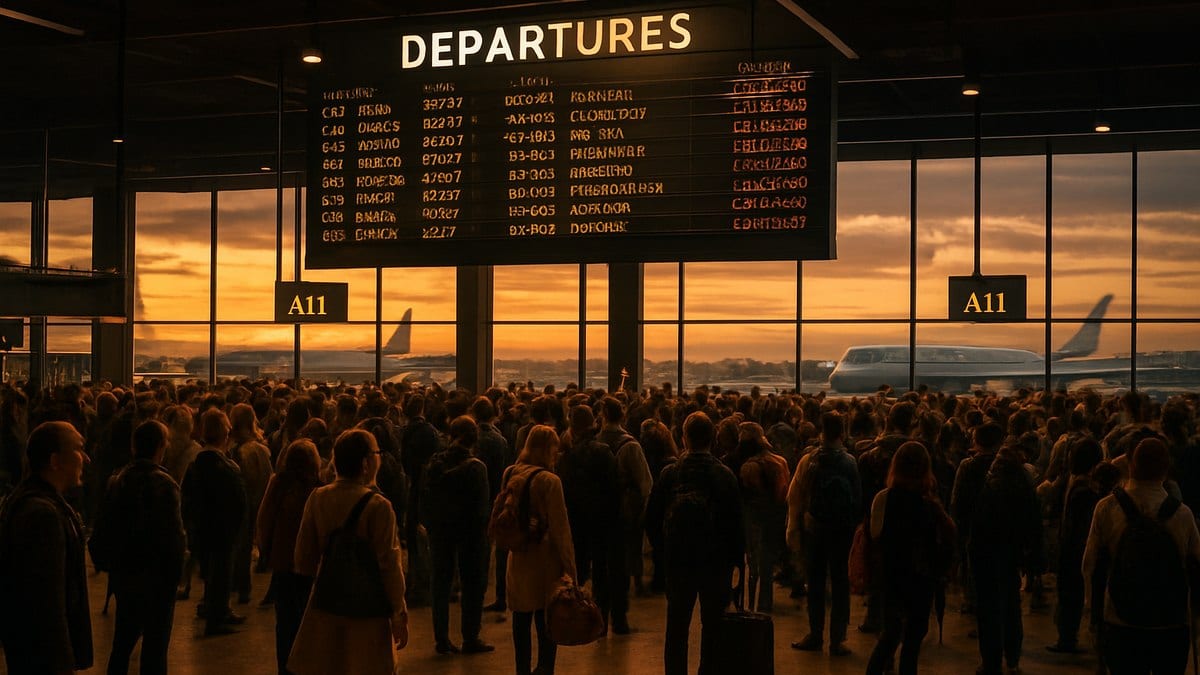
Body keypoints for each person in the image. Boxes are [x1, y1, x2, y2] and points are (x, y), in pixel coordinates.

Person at [288, 429, 409, 675]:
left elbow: (303, 559)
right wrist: (398, 611)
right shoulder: (379, 507)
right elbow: (389, 566)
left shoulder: (318, 497)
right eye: (377, 453)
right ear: (366, 462)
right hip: (369, 613)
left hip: (327, 604)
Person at [1083, 438, 1200, 675]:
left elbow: (1090, 565)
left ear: (1132, 466)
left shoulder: (1107, 508)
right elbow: (1195, 567)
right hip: (1171, 623)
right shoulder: (1182, 514)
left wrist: (1094, 616)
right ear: (1166, 470)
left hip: (1121, 621)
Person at [645, 411, 744, 675]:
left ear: (683, 437)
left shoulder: (670, 474)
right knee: (712, 628)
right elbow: (736, 525)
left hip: (678, 560)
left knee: (676, 628)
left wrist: (663, 549)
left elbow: (651, 518)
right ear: (713, 439)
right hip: (714, 563)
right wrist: (735, 563)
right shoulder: (724, 475)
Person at [90, 419, 186, 675]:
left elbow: (103, 525)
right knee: (155, 648)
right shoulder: (165, 484)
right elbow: (173, 537)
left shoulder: (118, 479)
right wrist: (177, 575)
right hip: (157, 578)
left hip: (125, 574)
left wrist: (107, 563)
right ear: (161, 447)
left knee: (121, 643)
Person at [0, 421, 93, 673]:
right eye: (78, 449)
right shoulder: (43, 515)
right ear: (54, 461)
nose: (85, 458)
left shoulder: (29, 501)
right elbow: (48, 603)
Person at [864, 441, 955, 675]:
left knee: (889, 637)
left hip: (891, 576)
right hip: (921, 579)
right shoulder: (930, 504)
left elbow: (874, 534)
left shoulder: (883, 498)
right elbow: (949, 536)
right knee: (912, 643)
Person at [504, 425, 578, 675]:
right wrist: (571, 568)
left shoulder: (510, 473)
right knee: (547, 618)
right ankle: (545, 668)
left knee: (520, 616)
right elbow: (561, 528)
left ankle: (521, 668)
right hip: (545, 559)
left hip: (518, 554)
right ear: (548, 449)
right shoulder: (550, 481)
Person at [787, 411, 861, 656]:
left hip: (814, 529)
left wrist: (794, 529)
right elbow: (858, 499)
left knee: (816, 583)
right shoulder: (850, 462)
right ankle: (838, 638)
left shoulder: (809, 460)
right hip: (842, 531)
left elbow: (795, 498)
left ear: (821, 432)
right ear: (842, 433)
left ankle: (815, 633)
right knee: (840, 583)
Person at [420, 415, 494, 654]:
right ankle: (470, 637)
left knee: (440, 584)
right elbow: (482, 508)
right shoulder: (476, 468)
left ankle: (441, 637)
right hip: (470, 534)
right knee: (472, 585)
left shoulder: (435, 464)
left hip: (441, 531)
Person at [969, 441, 1043, 675]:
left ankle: (990, 662)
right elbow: (1033, 525)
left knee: (988, 611)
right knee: (1012, 607)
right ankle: (1013, 659)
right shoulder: (1025, 487)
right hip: (1013, 556)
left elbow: (978, 524)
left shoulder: (989, 487)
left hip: (987, 556)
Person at [256, 439, 324, 674]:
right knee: (311, 621)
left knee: (285, 623)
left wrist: (266, 552)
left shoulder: (279, 484)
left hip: (284, 561)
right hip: (313, 563)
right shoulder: (320, 488)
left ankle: (286, 668)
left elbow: (264, 520)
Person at [181, 408, 248, 636]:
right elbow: (238, 501)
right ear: (224, 433)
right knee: (221, 574)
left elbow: (187, 498)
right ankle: (217, 617)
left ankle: (215, 609)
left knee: (211, 573)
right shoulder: (226, 467)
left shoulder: (197, 464)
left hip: (203, 528)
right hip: (223, 530)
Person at [556, 404, 620, 632]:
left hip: (576, 523)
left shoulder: (566, 457)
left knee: (577, 572)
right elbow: (615, 489)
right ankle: (601, 620)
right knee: (603, 573)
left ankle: (575, 618)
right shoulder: (603, 452)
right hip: (602, 522)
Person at [597, 396, 653, 614]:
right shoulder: (630, 445)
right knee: (631, 548)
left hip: (601, 508)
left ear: (602, 416)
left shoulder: (595, 442)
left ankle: (601, 604)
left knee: (603, 556)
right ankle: (635, 585)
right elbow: (645, 481)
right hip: (626, 507)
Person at [1047, 437, 1103, 654]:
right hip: (1079, 549)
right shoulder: (1089, 489)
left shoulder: (1070, 482)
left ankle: (1067, 637)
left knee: (1069, 597)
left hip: (1068, 549)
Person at [736, 421, 788, 612]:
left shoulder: (749, 467)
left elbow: (749, 497)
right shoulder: (780, 461)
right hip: (776, 518)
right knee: (766, 565)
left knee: (755, 566)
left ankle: (752, 605)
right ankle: (764, 603)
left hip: (756, 520)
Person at [229, 402, 273, 604]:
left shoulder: (240, 452)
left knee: (241, 547)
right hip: (259, 501)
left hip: (244, 505)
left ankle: (240, 585)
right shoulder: (261, 449)